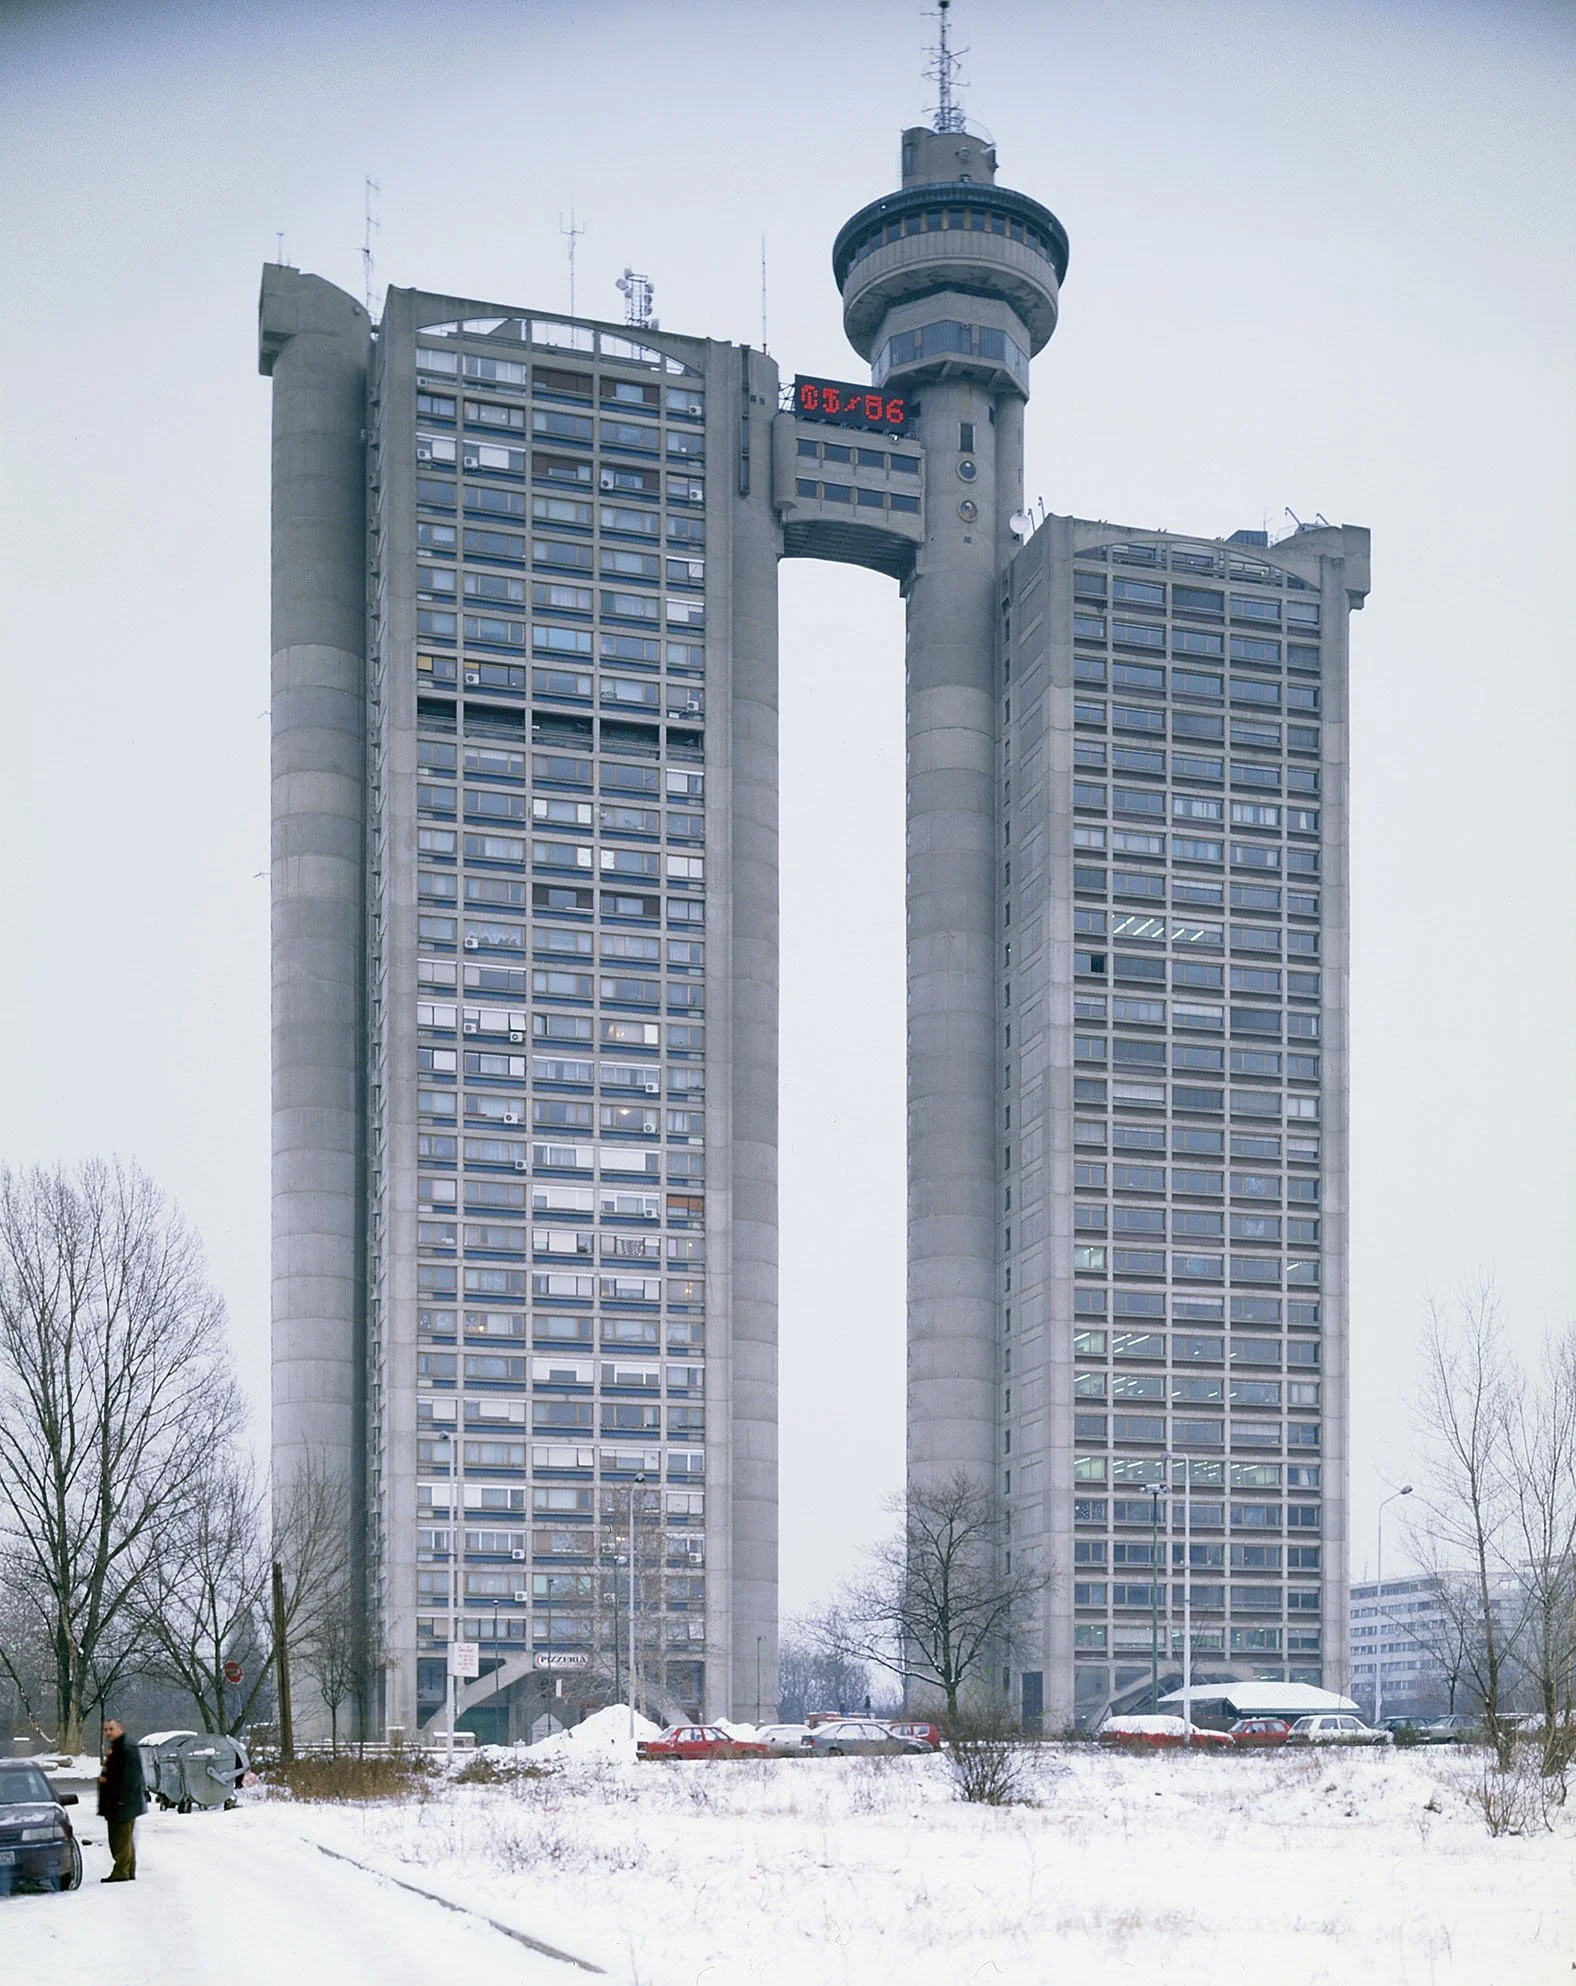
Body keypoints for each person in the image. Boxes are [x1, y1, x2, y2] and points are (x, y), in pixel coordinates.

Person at [97, 1719, 148, 1882]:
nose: (108, 1733)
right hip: (117, 1803)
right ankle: (128, 1870)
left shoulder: (127, 1748)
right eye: (105, 1730)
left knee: (120, 1839)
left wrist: (123, 1800)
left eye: (111, 1729)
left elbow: (132, 1777)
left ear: (120, 1729)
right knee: (122, 1839)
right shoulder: (118, 1746)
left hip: (122, 1804)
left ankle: (121, 1871)